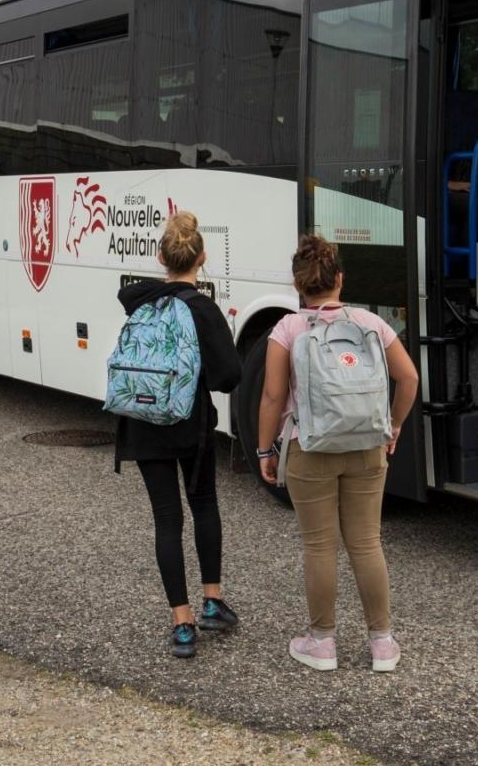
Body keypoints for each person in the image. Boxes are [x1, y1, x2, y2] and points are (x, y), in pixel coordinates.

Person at [255, 235, 419, 673]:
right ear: (340, 280)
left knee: (319, 545)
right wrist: (394, 424)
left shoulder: (287, 329)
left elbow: (272, 397)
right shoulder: (370, 323)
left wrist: (263, 450)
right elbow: (409, 378)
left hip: (311, 448)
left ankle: (322, 643)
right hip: (368, 445)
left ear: (298, 285)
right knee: (366, 542)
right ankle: (382, 644)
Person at [114, 211, 243, 659]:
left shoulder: (140, 302)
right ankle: (212, 600)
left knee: (167, 521)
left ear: (159, 257)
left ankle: (182, 623)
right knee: (204, 503)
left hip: (143, 423)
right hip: (190, 425)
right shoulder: (202, 308)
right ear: (202, 258)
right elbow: (229, 376)